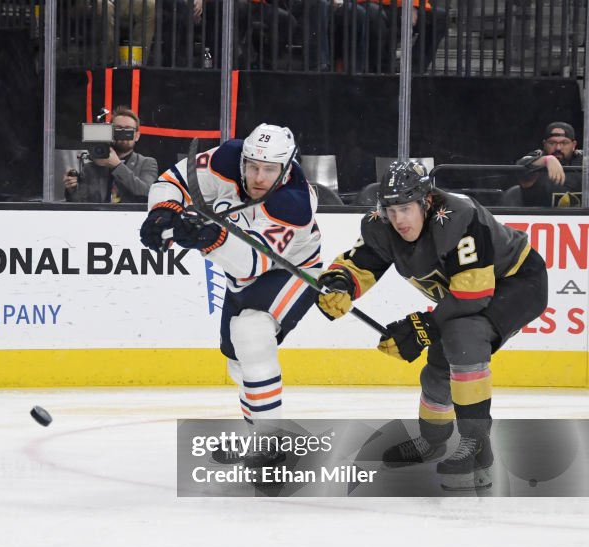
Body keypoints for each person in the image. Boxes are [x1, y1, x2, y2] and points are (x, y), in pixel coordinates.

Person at [316, 160, 548, 490]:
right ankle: (433, 440)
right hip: (466, 294)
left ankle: (477, 445)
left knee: (463, 335)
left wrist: (421, 327)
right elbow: (359, 262)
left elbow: (475, 294)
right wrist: (339, 285)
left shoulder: (460, 216)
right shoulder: (382, 224)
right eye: (391, 209)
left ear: (426, 201)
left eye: (406, 209)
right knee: (441, 357)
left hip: (518, 283)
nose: (398, 220)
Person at [140, 123, 320, 464]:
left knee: (251, 333)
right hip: (243, 274)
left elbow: (251, 263)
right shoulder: (227, 159)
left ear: (286, 167)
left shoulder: (294, 202)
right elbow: (173, 181)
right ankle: (260, 437)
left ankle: (271, 448)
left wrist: (207, 239)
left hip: (293, 272)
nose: (258, 177)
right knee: (238, 359)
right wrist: (164, 212)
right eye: (252, 165)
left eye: (269, 169)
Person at [64, 106, 158, 204]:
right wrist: (72, 189)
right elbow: (79, 205)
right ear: (109, 133)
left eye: (128, 130)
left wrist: (117, 166)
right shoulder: (91, 168)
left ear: (137, 136)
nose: (123, 134)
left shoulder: (147, 163)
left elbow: (147, 193)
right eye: (118, 129)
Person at [516, 121, 584, 207]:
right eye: (552, 143)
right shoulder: (538, 157)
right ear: (544, 144)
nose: (558, 148)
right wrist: (547, 159)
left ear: (574, 145)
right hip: (538, 218)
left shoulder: (583, 159)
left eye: (564, 143)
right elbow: (521, 165)